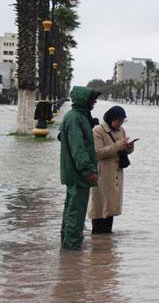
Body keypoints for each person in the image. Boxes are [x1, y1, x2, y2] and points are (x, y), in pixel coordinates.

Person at [58, 86, 100, 250]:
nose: (95, 102)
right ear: (84, 100)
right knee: (76, 211)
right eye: (92, 100)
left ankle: (68, 248)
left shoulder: (76, 117)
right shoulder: (75, 119)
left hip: (73, 173)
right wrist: (87, 170)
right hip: (78, 174)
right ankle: (72, 248)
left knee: (71, 209)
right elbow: (78, 148)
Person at [89, 106, 134, 234]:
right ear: (111, 118)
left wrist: (129, 147)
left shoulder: (121, 130)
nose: (120, 124)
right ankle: (97, 236)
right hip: (103, 173)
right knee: (100, 205)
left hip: (117, 173)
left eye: (122, 121)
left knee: (111, 205)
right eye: (118, 121)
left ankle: (106, 238)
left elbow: (123, 150)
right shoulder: (98, 131)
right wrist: (118, 146)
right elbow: (97, 153)